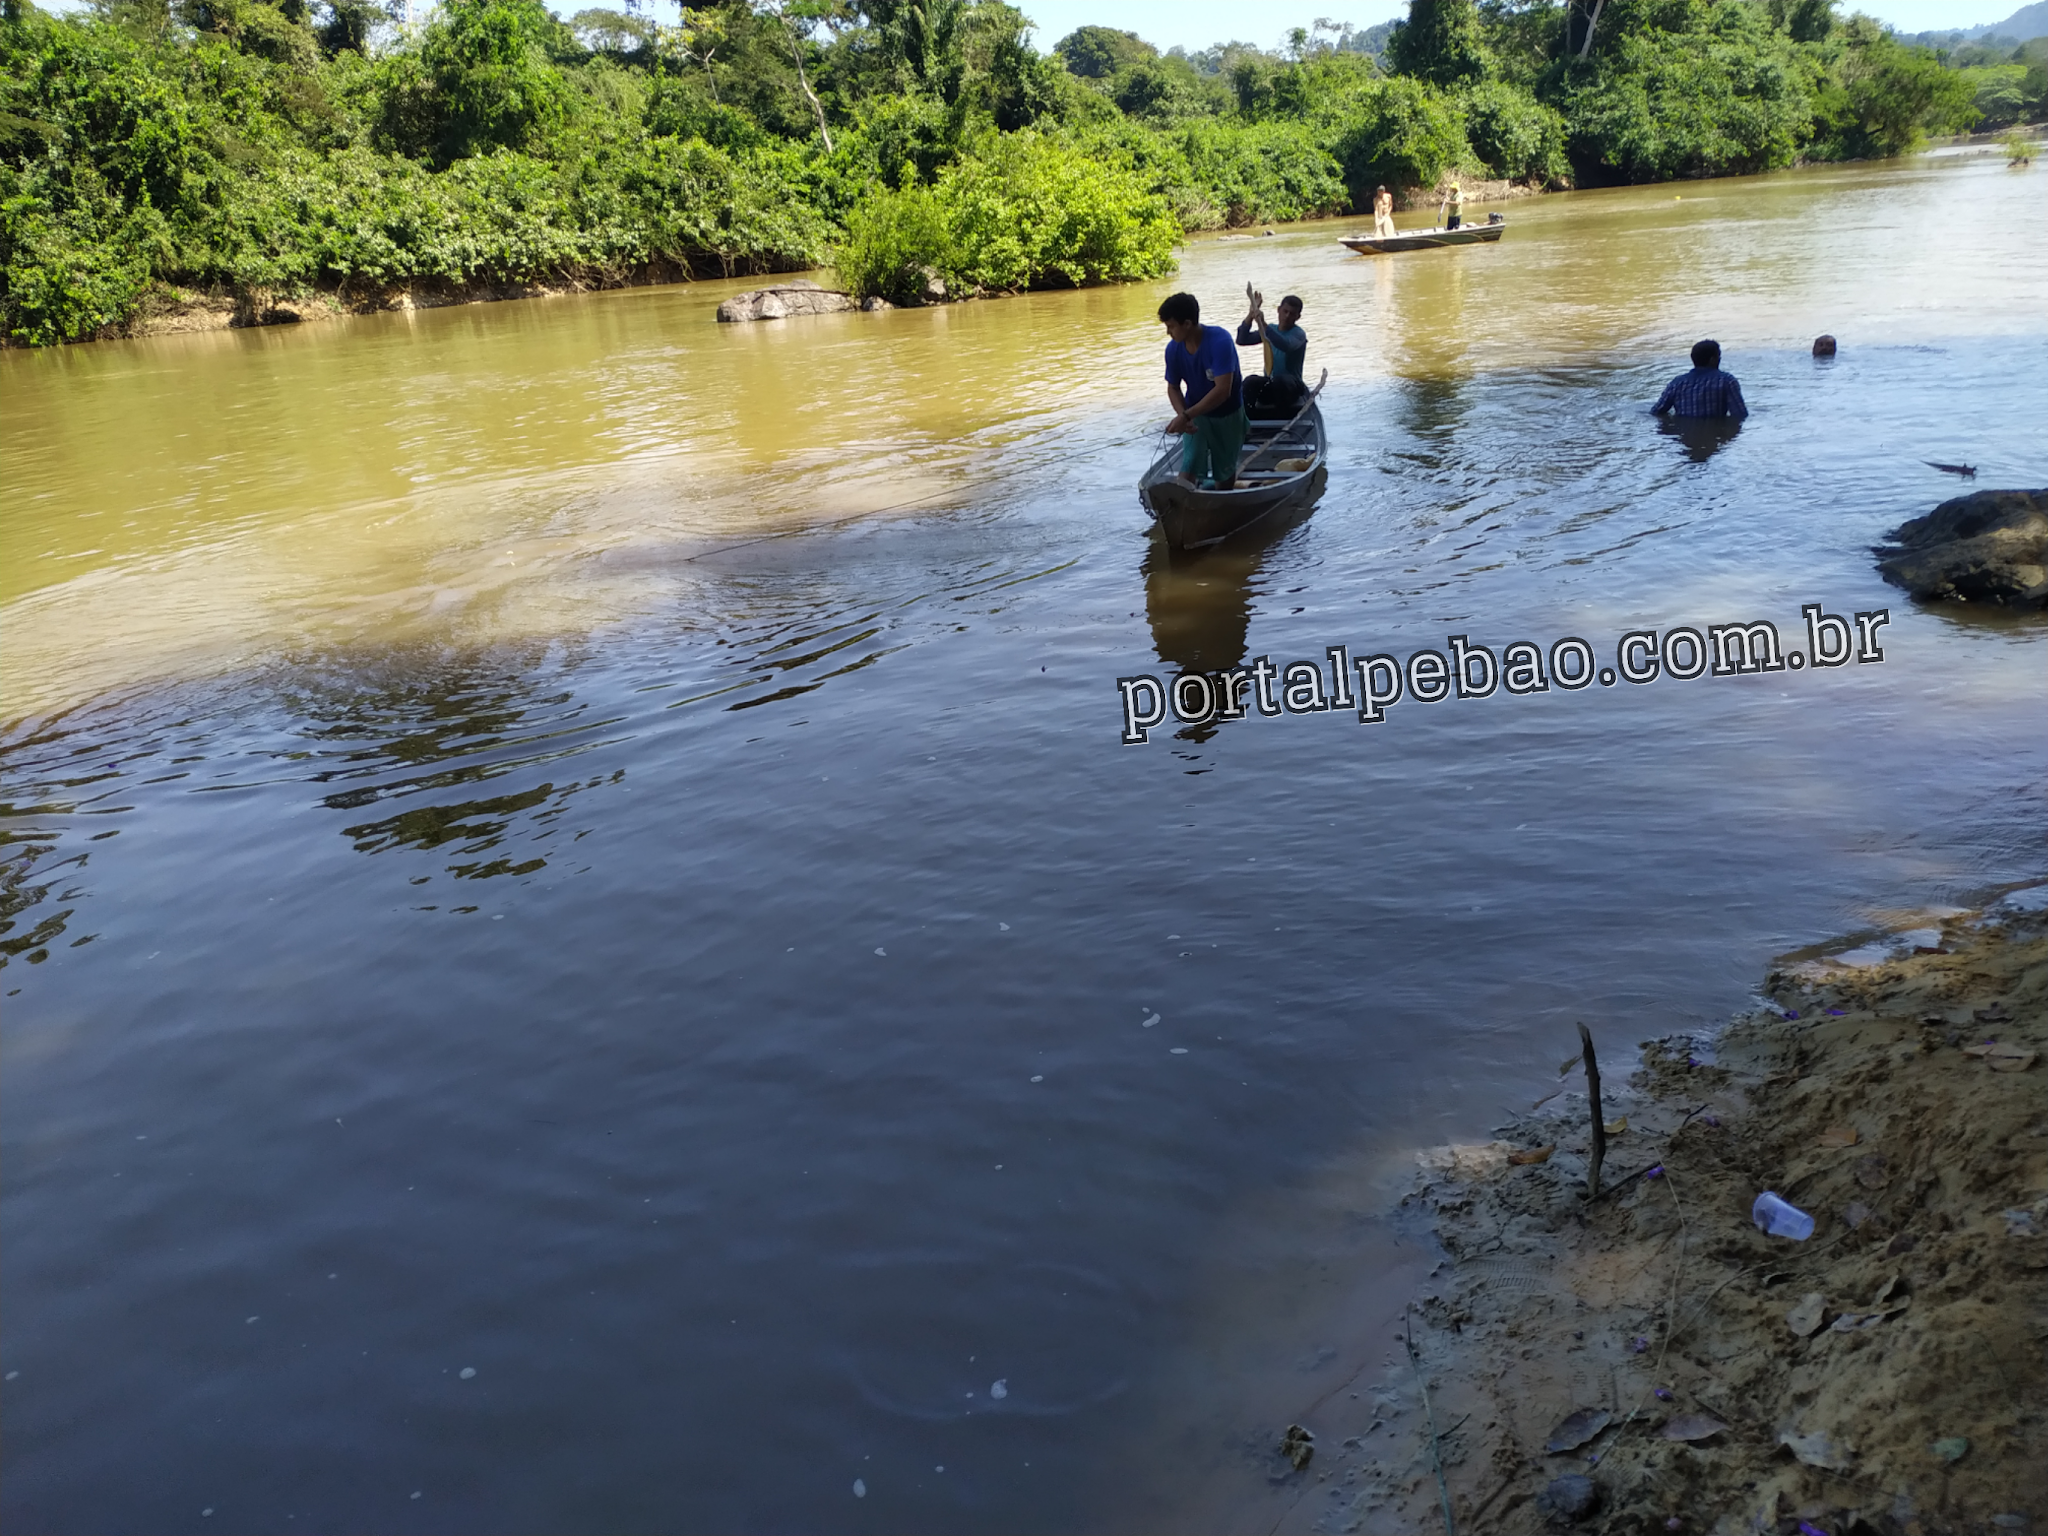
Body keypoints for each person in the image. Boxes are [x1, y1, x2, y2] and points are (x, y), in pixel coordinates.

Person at [1158, 292, 1247, 490]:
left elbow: (1223, 390)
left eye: (1171, 326)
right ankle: (1182, 502)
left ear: (1187, 324)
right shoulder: (1173, 350)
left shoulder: (1220, 341)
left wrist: (1187, 414)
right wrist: (1183, 415)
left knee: (1224, 471)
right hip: (1195, 414)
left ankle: (1221, 504)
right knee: (1189, 461)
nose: (1168, 332)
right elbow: (1173, 387)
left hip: (1227, 413)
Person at [1236, 285, 1308, 409]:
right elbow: (1242, 340)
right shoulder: (1270, 330)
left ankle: (1283, 417)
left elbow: (1285, 345)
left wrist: (1263, 324)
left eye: (1292, 314)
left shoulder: (1299, 334)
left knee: (1280, 381)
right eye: (1285, 311)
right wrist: (1251, 315)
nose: (1287, 316)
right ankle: (1248, 419)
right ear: (1278, 310)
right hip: (1271, 384)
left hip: (1291, 387)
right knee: (1250, 381)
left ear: (1297, 317)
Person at [1651, 339, 1749, 420]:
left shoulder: (1677, 383)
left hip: (1685, 437)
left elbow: (1657, 411)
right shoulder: (1727, 381)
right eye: (1719, 356)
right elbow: (1740, 415)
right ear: (1712, 360)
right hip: (1714, 436)